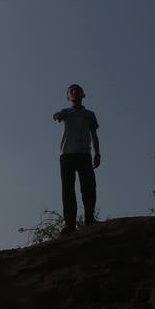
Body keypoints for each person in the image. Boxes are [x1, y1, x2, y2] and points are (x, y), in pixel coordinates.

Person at [53, 84, 100, 235]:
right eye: (71, 91)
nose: (74, 92)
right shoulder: (66, 112)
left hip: (84, 153)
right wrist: (58, 115)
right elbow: (59, 115)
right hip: (66, 154)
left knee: (89, 187)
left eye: (77, 90)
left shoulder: (89, 114)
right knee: (68, 190)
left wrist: (97, 153)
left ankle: (89, 219)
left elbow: (94, 135)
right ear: (68, 97)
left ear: (83, 94)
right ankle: (70, 224)